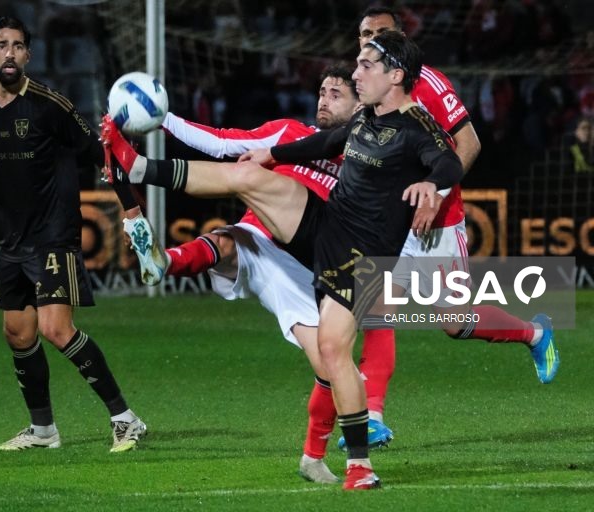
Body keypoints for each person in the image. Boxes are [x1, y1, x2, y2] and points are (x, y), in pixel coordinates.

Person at [103, 31, 464, 489]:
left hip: (363, 257)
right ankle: (139, 169)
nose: (356, 73)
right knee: (247, 176)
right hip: (327, 226)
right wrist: (272, 154)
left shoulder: (417, 125)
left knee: (334, 354)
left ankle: (358, 466)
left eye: (366, 65)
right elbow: (325, 144)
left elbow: (448, 162)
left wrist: (434, 184)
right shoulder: (366, 117)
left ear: (395, 76)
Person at [0, 16, 147, 453]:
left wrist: (131, 211)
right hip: (13, 238)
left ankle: (126, 419)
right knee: (18, 333)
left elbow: (102, 155)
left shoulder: (50, 105)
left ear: (28, 56)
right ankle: (43, 431)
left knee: (56, 329)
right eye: (2, 45)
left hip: (54, 233)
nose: (10, 53)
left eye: (18, 46)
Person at [340, 7, 558, 451]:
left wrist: (436, 193)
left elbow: (469, 143)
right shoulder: (363, 86)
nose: (371, 40)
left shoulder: (429, 83)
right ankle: (372, 418)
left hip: (437, 221)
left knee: (454, 322)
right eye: (365, 34)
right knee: (377, 310)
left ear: (401, 38)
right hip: (389, 222)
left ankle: (534, 333)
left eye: (381, 33)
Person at [136, 65, 360, 483]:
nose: (324, 100)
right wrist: (161, 117)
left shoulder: (363, 158)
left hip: (307, 271)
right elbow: (221, 142)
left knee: (332, 369)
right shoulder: (289, 133)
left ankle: (313, 459)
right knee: (226, 242)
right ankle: (163, 261)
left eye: (336, 94)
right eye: (322, 92)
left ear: (360, 105)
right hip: (258, 242)